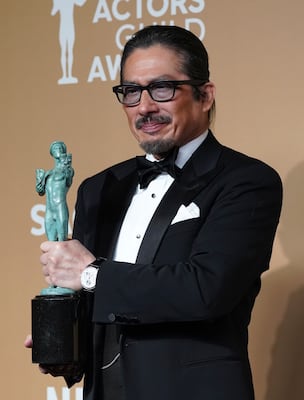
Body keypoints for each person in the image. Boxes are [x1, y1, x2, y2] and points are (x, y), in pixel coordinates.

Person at [26, 25, 283, 400]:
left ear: (204, 95)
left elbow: (206, 289)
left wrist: (92, 273)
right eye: (131, 92)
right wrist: (65, 341)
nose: (144, 107)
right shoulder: (99, 189)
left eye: (162, 88)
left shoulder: (247, 181)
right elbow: (101, 305)